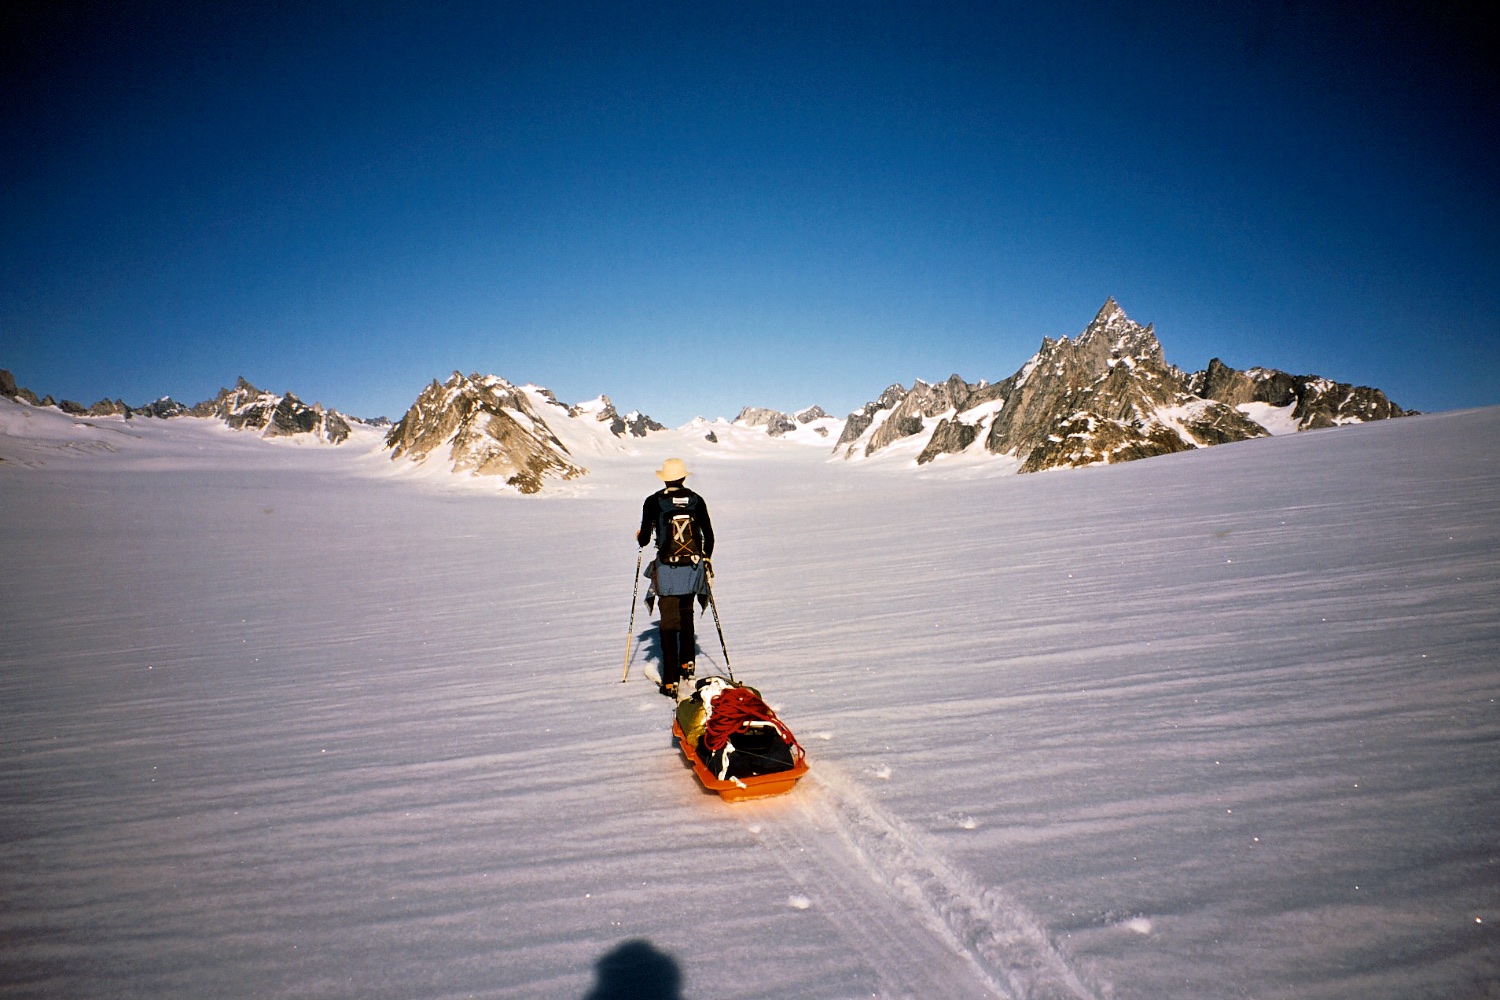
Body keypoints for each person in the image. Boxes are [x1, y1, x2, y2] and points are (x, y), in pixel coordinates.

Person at [636, 457, 714, 698]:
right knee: (686, 611)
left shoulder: (653, 501)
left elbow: (645, 540)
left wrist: (640, 536)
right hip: (692, 567)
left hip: (668, 569)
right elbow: (708, 537)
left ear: (665, 478)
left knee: (669, 622)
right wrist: (706, 559)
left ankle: (670, 680)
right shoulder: (696, 500)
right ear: (683, 477)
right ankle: (687, 662)